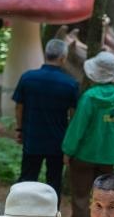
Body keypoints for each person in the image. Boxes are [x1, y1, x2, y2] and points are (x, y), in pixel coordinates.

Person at [63, 51, 114, 217]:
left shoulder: (89, 97)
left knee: (81, 197)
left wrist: (68, 150)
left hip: (83, 156)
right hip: (108, 158)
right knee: (104, 201)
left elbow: (77, 127)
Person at [13, 39, 79, 199]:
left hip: (32, 138)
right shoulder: (70, 84)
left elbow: (19, 107)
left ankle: (22, 215)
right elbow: (73, 116)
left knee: (27, 179)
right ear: (63, 58)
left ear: (46, 54)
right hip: (57, 142)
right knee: (53, 183)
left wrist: (20, 130)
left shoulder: (28, 78)